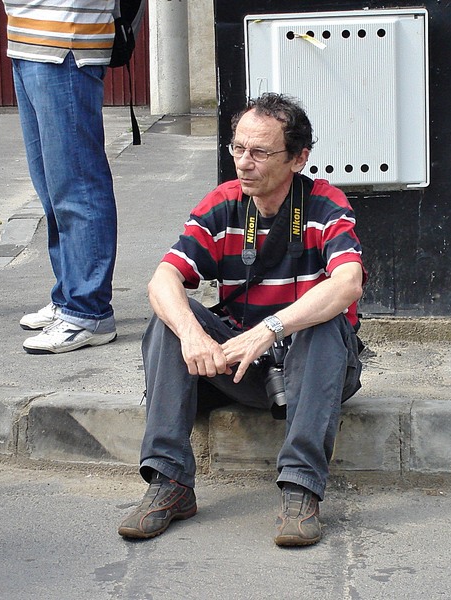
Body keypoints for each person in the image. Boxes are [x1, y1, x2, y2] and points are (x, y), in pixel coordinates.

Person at [118, 93, 365, 547]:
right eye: (238, 148)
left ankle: (300, 489)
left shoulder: (324, 203)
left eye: (261, 152)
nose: (244, 163)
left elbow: (348, 282)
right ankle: (170, 482)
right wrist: (193, 336)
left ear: (298, 158)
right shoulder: (224, 203)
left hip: (316, 365)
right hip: (241, 364)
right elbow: (163, 279)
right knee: (170, 319)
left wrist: (271, 329)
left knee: (325, 321)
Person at [2, 0, 118, 354]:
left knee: (77, 185)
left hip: (65, 43)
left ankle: (88, 312)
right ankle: (70, 296)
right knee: (53, 189)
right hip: (27, 40)